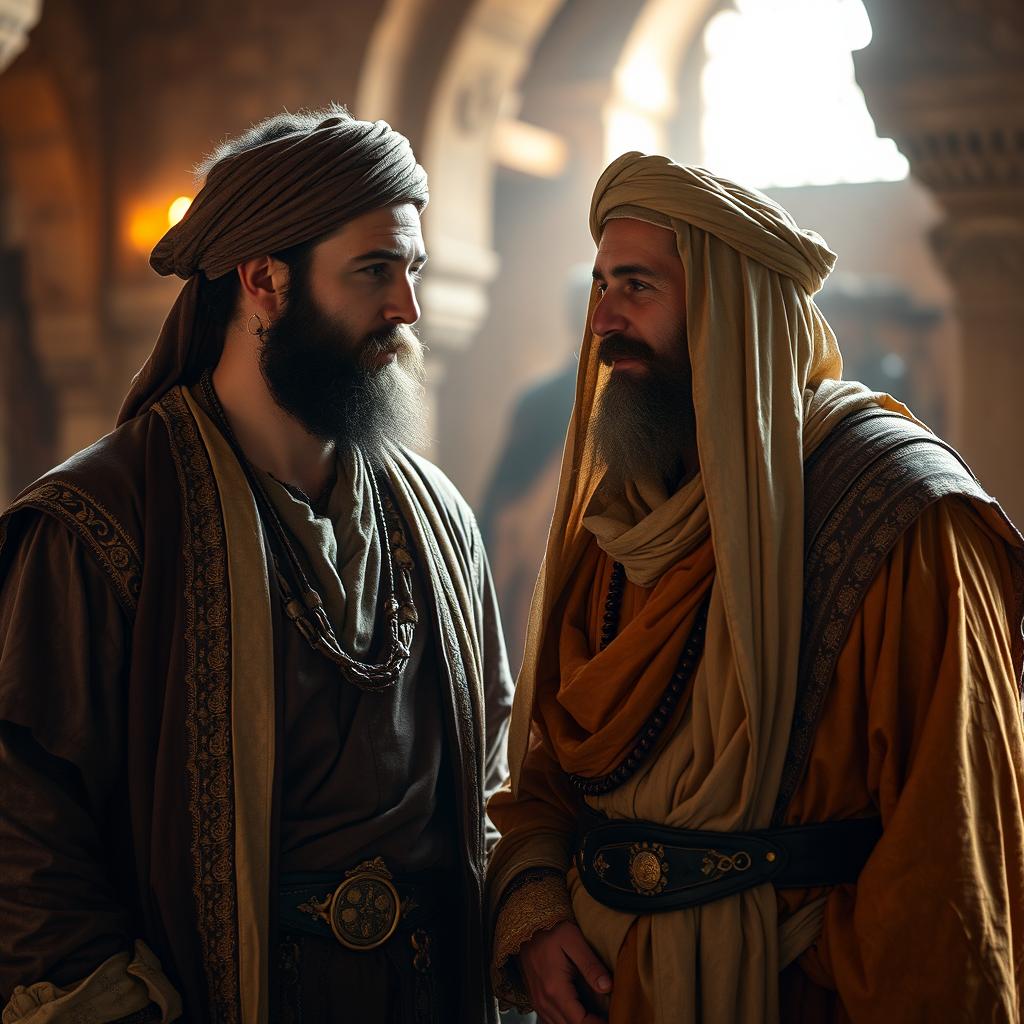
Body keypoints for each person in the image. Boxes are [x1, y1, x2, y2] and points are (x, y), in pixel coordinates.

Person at [0, 105, 513, 1024]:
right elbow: (22, 826)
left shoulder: (439, 518)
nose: (408, 306)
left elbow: (489, 778)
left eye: (414, 269)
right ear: (263, 279)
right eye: (374, 270)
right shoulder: (102, 522)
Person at [485, 153, 1024, 1024]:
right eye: (599, 285)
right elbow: (552, 775)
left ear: (732, 311)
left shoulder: (903, 514)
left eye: (636, 286)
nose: (601, 320)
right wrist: (538, 912)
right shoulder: (621, 519)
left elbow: (948, 863)